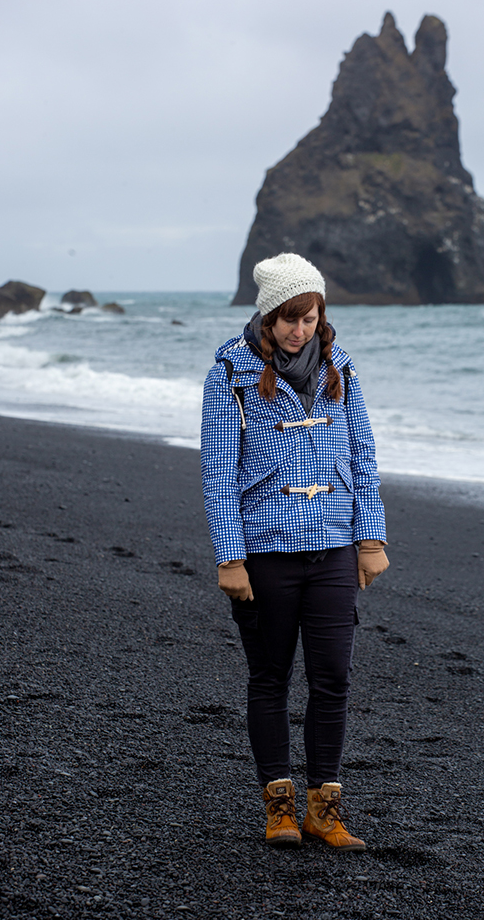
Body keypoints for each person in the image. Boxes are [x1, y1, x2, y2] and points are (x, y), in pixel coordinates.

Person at [201, 252, 388, 851]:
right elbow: (217, 470)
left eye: (308, 318)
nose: (299, 330)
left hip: (334, 545)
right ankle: (279, 807)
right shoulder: (230, 372)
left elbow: (363, 454)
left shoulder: (342, 367)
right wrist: (229, 557)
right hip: (264, 550)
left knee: (333, 676)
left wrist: (372, 537)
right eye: (288, 319)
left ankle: (323, 811)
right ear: (267, 316)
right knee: (271, 676)